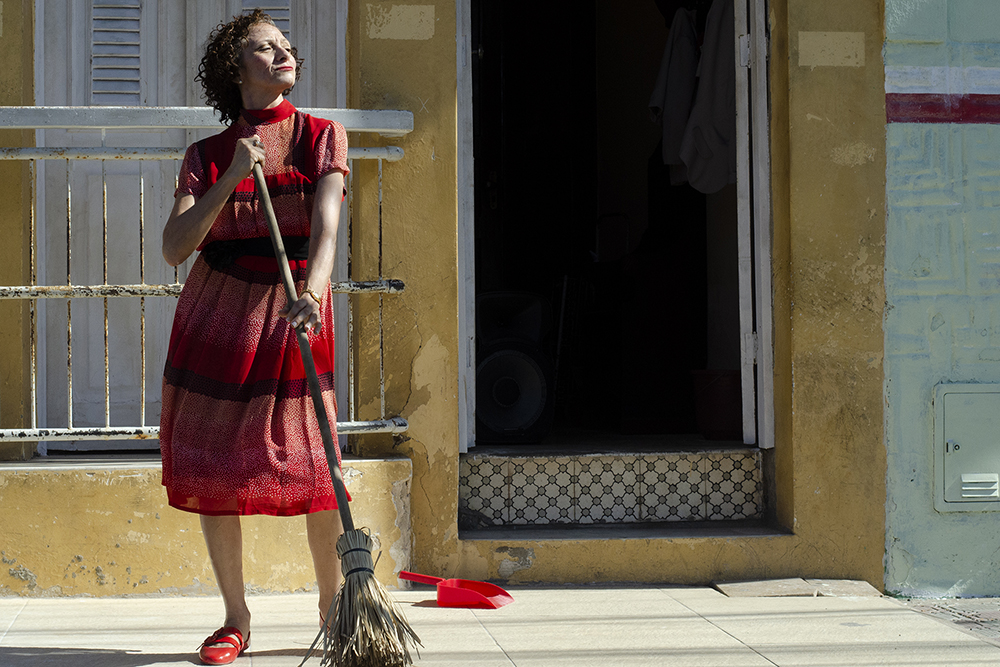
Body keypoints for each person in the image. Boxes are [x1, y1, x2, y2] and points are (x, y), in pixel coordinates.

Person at [159, 9, 348, 665]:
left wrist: (315, 294)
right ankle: (234, 617)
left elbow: (326, 225)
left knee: (315, 465)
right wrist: (234, 177)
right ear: (234, 69)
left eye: (285, 45)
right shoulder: (206, 157)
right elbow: (174, 248)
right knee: (217, 469)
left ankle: (333, 608)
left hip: (294, 308)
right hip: (218, 319)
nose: (283, 53)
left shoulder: (321, 136)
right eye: (264, 48)